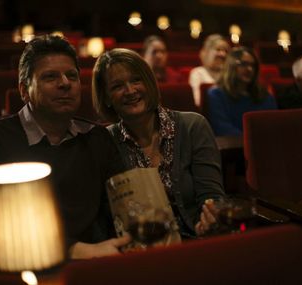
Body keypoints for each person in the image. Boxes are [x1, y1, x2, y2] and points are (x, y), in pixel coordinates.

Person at [0, 35, 130, 272]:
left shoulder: (96, 138)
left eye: (72, 76)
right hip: (11, 266)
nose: (65, 83)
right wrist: (78, 251)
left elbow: (124, 206)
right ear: (24, 90)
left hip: (88, 265)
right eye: (50, 77)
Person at [92, 48, 225, 239]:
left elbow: (211, 196)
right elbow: (106, 215)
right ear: (106, 98)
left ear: (149, 82)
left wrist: (208, 220)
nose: (130, 91)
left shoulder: (193, 126)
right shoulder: (105, 141)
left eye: (136, 80)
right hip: (140, 252)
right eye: (117, 86)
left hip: (197, 239)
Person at [207, 46, 277, 136]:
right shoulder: (216, 95)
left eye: (253, 65)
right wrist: (250, 141)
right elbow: (222, 127)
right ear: (231, 66)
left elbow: (273, 124)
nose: (249, 69)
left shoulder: (264, 96)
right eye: (244, 64)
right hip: (233, 146)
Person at [189, 34, 230, 106]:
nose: (223, 54)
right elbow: (197, 102)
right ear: (206, 52)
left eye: (226, 51)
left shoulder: (229, 74)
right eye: (218, 49)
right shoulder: (197, 73)